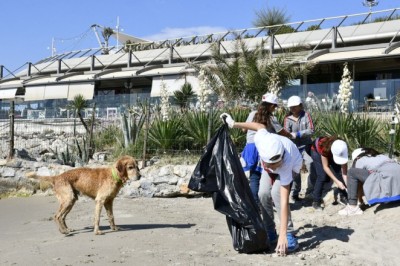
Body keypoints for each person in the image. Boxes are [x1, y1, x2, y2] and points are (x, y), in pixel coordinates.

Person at [221, 113, 303, 256]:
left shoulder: (286, 163)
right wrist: (233, 123)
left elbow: (284, 202)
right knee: (262, 194)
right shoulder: (262, 139)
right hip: (271, 163)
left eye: (276, 164)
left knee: (276, 195)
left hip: (293, 166)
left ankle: (289, 234)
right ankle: (270, 230)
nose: (274, 167)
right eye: (271, 165)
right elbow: (259, 126)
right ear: (264, 160)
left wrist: (283, 235)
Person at [241, 93, 293, 206]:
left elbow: (244, 130)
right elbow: (281, 132)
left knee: (254, 177)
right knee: (268, 175)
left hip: (249, 148)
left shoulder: (252, 114)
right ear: (270, 106)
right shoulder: (271, 118)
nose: (275, 109)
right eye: (275, 106)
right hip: (261, 148)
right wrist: (291, 136)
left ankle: (255, 204)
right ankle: (267, 202)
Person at [338, 147, 400, 216]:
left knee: (352, 172)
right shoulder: (382, 156)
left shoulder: (360, 160)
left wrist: (360, 201)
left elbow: (358, 182)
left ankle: (352, 208)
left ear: (357, 158)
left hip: (386, 178)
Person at [283, 96, 315, 202]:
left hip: (306, 146)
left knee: (310, 164)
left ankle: (310, 191)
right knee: (296, 170)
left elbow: (311, 130)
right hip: (294, 148)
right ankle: (295, 193)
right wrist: (290, 135)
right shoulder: (287, 119)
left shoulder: (306, 115)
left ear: (300, 106)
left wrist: (298, 134)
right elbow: (286, 133)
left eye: (295, 107)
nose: (293, 109)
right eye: (291, 107)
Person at [310, 136, 349, 210]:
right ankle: (316, 201)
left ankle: (343, 196)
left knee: (338, 172)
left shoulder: (342, 148)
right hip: (316, 151)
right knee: (322, 176)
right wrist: (337, 182)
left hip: (330, 151)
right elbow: (326, 167)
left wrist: (346, 183)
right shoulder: (324, 148)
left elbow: (344, 170)